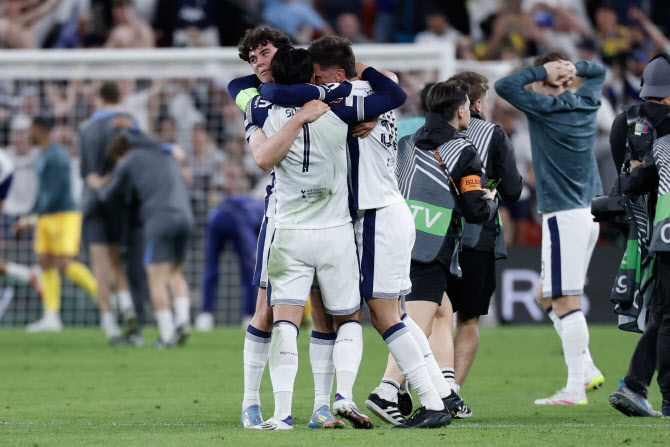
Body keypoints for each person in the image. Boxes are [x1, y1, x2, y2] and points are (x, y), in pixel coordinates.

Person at [259, 36, 452, 429]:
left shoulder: (344, 100)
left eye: (319, 76)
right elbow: (391, 82)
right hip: (389, 209)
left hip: (376, 214)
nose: (313, 83)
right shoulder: (371, 95)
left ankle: (432, 403)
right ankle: (440, 393)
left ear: (338, 74)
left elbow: (278, 92)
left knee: (384, 317)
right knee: (396, 314)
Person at [364, 81, 497, 424]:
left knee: (441, 310)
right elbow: (474, 209)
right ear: (461, 110)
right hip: (431, 243)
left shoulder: (406, 143)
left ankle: (444, 389)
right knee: (414, 322)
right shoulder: (463, 150)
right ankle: (387, 390)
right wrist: (490, 203)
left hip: (396, 235)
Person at [495, 52, 606, 405]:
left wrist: (544, 70)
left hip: (564, 215)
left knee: (565, 299)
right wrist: (576, 69)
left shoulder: (545, 107)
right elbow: (598, 70)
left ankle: (575, 388)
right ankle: (586, 367)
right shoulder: (587, 100)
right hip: (588, 212)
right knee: (544, 295)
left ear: (543, 81)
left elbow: (504, 85)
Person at [427, 71, 522, 417]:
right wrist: (489, 187)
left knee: (430, 315)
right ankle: (451, 393)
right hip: (475, 237)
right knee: (468, 320)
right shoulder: (492, 134)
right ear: (477, 104)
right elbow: (513, 190)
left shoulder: (425, 133)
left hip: (432, 236)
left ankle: (414, 387)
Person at [90, 128, 193, 347]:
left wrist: (97, 186)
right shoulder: (164, 154)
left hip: (160, 219)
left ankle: (166, 335)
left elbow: (108, 195)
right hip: (186, 216)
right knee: (175, 272)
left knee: (155, 278)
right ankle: (183, 321)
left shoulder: (129, 160)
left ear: (120, 153)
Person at [608, 53, 670, 418]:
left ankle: (635, 384)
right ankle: (639, 386)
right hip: (664, 219)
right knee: (666, 312)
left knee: (662, 309)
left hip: (643, 227)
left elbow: (626, 177)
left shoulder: (625, 121)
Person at [15, 117, 98, 332]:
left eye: (30, 129)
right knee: (45, 261)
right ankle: (51, 316)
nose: (27, 134)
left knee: (64, 262)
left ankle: (104, 297)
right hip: (46, 216)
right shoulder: (42, 155)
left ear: (40, 129)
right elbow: (42, 192)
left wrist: (32, 218)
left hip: (64, 215)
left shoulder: (58, 156)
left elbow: (56, 193)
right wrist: (31, 214)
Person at [79, 81, 141, 343]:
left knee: (100, 266)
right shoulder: (129, 122)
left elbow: (86, 172)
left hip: (94, 202)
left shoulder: (86, 128)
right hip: (120, 203)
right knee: (116, 263)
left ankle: (110, 327)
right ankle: (127, 308)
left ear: (99, 98)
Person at [195, 160, 264, 331]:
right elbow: (212, 199)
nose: (230, 177)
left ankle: (249, 315)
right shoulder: (219, 190)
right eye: (228, 173)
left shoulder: (252, 189)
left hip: (240, 221)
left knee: (249, 271)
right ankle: (205, 314)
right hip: (222, 219)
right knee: (211, 268)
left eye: (233, 173)